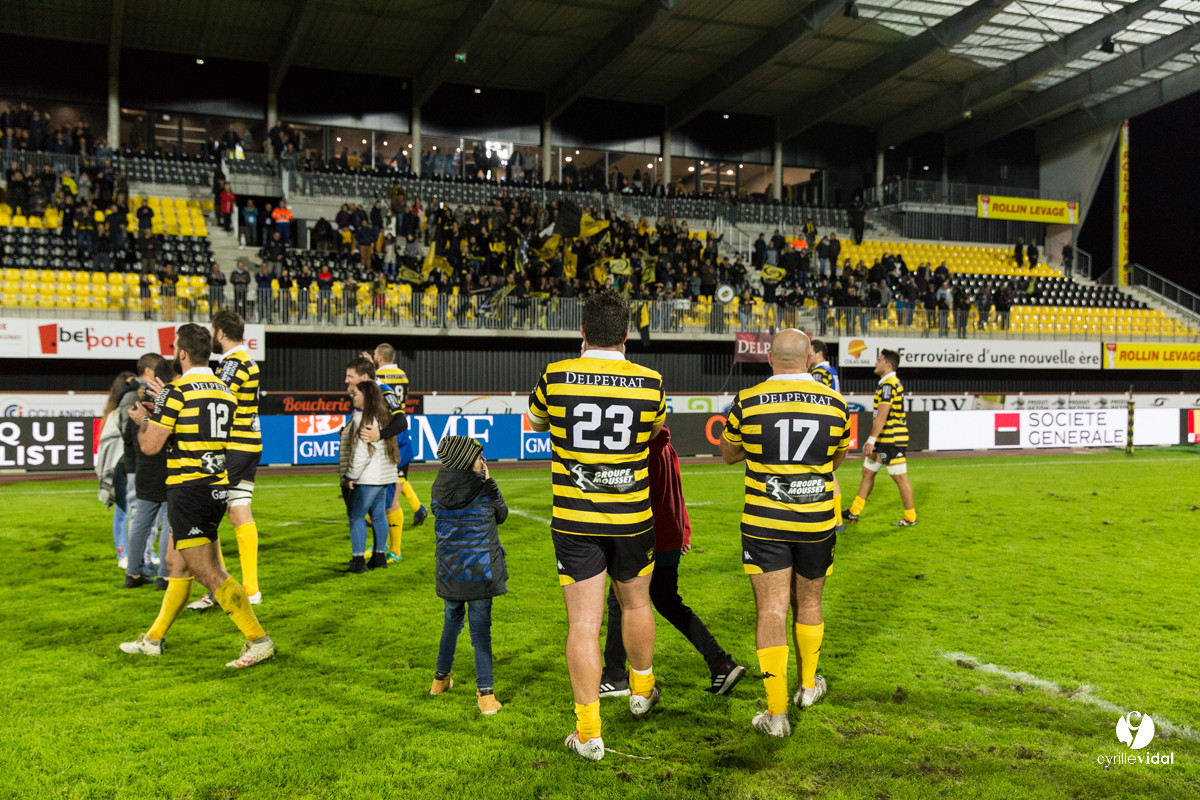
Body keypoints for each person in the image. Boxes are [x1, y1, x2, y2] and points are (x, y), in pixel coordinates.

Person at [527, 290, 666, 761]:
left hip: (576, 517)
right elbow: (649, 433)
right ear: (626, 336)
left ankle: (589, 733)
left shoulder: (557, 376)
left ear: (582, 332)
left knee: (585, 623)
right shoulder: (651, 382)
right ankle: (642, 690)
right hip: (631, 516)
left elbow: (533, 424)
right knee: (636, 603)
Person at [119, 323, 275, 668]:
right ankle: (155, 639)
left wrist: (142, 421)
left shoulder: (177, 391)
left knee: (209, 573)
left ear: (182, 353)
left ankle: (258, 640)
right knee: (176, 564)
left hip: (189, 487)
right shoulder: (223, 389)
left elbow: (151, 445)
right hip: (216, 483)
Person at [719, 329, 849, 738]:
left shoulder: (748, 400)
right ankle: (808, 688)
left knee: (771, 611)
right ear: (810, 358)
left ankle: (776, 715)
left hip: (765, 522)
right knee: (810, 603)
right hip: (816, 521)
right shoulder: (836, 403)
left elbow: (727, 453)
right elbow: (838, 457)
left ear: (770, 359)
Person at [600, 425, 744, 699]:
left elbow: (635, 496)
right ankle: (720, 663)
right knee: (667, 603)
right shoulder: (667, 445)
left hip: (647, 538)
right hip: (669, 535)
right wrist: (684, 530)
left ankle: (616, 677)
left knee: (622, 601)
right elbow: (676, 491)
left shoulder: (644, 450)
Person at [189, 311, 264, 611]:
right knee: (239, 509)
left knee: (207, 512)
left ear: (220, 333)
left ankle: (216, 586)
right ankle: (251, 588)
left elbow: (219, 398)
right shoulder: (248, 360)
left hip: (233, 445)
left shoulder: (232, 363)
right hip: (250, 443)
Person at [429, 435, 509, 716]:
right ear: (468, 461)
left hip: (450, 571)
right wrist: (489, 482)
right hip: (480, 571)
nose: (483, 461)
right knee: (480, 633)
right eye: (478, 456)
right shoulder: (483, 489)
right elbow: (502, 515)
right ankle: (485, 694)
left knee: (451, 623)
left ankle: (440, 681)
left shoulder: (438, 488)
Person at [364, 343, 428, 563]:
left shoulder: (379, 378)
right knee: (382, 499)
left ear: (380, 357)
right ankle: (381, 544)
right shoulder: (403, 375)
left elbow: (380, 399)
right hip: (395, 435)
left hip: (392, 437)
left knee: (389, 500)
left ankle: (395, 549)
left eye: (374, 356)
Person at [846, 349, 917, 527]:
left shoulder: (889, 384)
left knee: (899, 478)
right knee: (868, 472)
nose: (875, 363)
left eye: (879, 360)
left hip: (892, 438)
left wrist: (871, 441)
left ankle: (910, 517)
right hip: (884, 438)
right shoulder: (886, 383)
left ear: (887, 364)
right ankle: (854, 512)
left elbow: (882, 415)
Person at [124, 358, 175, 590]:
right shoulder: (169, 405)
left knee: (140, 523)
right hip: (166, 469)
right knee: (168, 521)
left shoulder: (137, 405)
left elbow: (128, 437)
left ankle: (132, 573)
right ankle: (164, 576)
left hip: (144, 469)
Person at [338, 381, 398, 572]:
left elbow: (362, 452)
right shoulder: (382, 417)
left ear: (366, 396)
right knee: (379, 515)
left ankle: (357, 562)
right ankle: (379, 557)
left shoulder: (362, 418)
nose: (352, 396)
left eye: (356, 394)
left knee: (356, 516)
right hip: (383, 476)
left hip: (368, 477)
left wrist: (350, 476)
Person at [96, 371, 137, 571]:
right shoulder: (115, 415)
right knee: (123, 511)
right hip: (120, 465)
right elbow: (108, 445)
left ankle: (140, 552)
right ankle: (122, 552)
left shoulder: (115, 412)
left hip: (132, 464)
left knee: (138, 511)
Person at [808, 339, 844, 535]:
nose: (808, 355)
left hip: (822, 425)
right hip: (833, 423)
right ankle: (836, 518)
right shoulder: (831, 372)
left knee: (826, 473)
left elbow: (816, 399)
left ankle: (836, 520)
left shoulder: (820, 373)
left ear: (819, 354)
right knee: (829, 471)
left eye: (810, 352)